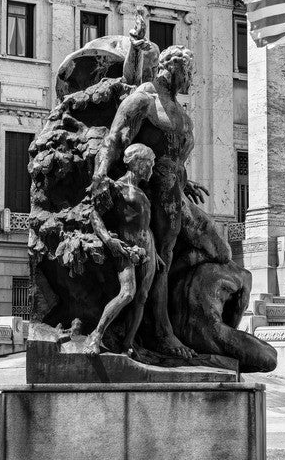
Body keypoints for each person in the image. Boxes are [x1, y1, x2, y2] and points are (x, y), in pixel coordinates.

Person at [89, 46, 207, 359]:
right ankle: (161, 333)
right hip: (148, 197)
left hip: (175, 193)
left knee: (200, 253)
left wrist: (186, 181)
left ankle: (171, 326)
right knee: (159, 265)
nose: (190, 79)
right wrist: (100, 176)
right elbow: (113, 140)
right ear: (175, 68)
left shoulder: (179, 110)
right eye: (189, 71)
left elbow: (174, 157)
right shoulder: (144, 99)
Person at [84, 144, 158, 355]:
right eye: (148, 164)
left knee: (142, 297)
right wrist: (108, 240)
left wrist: (156, 253)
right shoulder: (117, 188)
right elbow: (94, 214)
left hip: (148, 249)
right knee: (127, 294)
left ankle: (128, 344)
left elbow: (145, 224)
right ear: (136, 163)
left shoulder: (142, 192)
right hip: (126, 247)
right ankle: (95, 335)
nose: (151, 169)